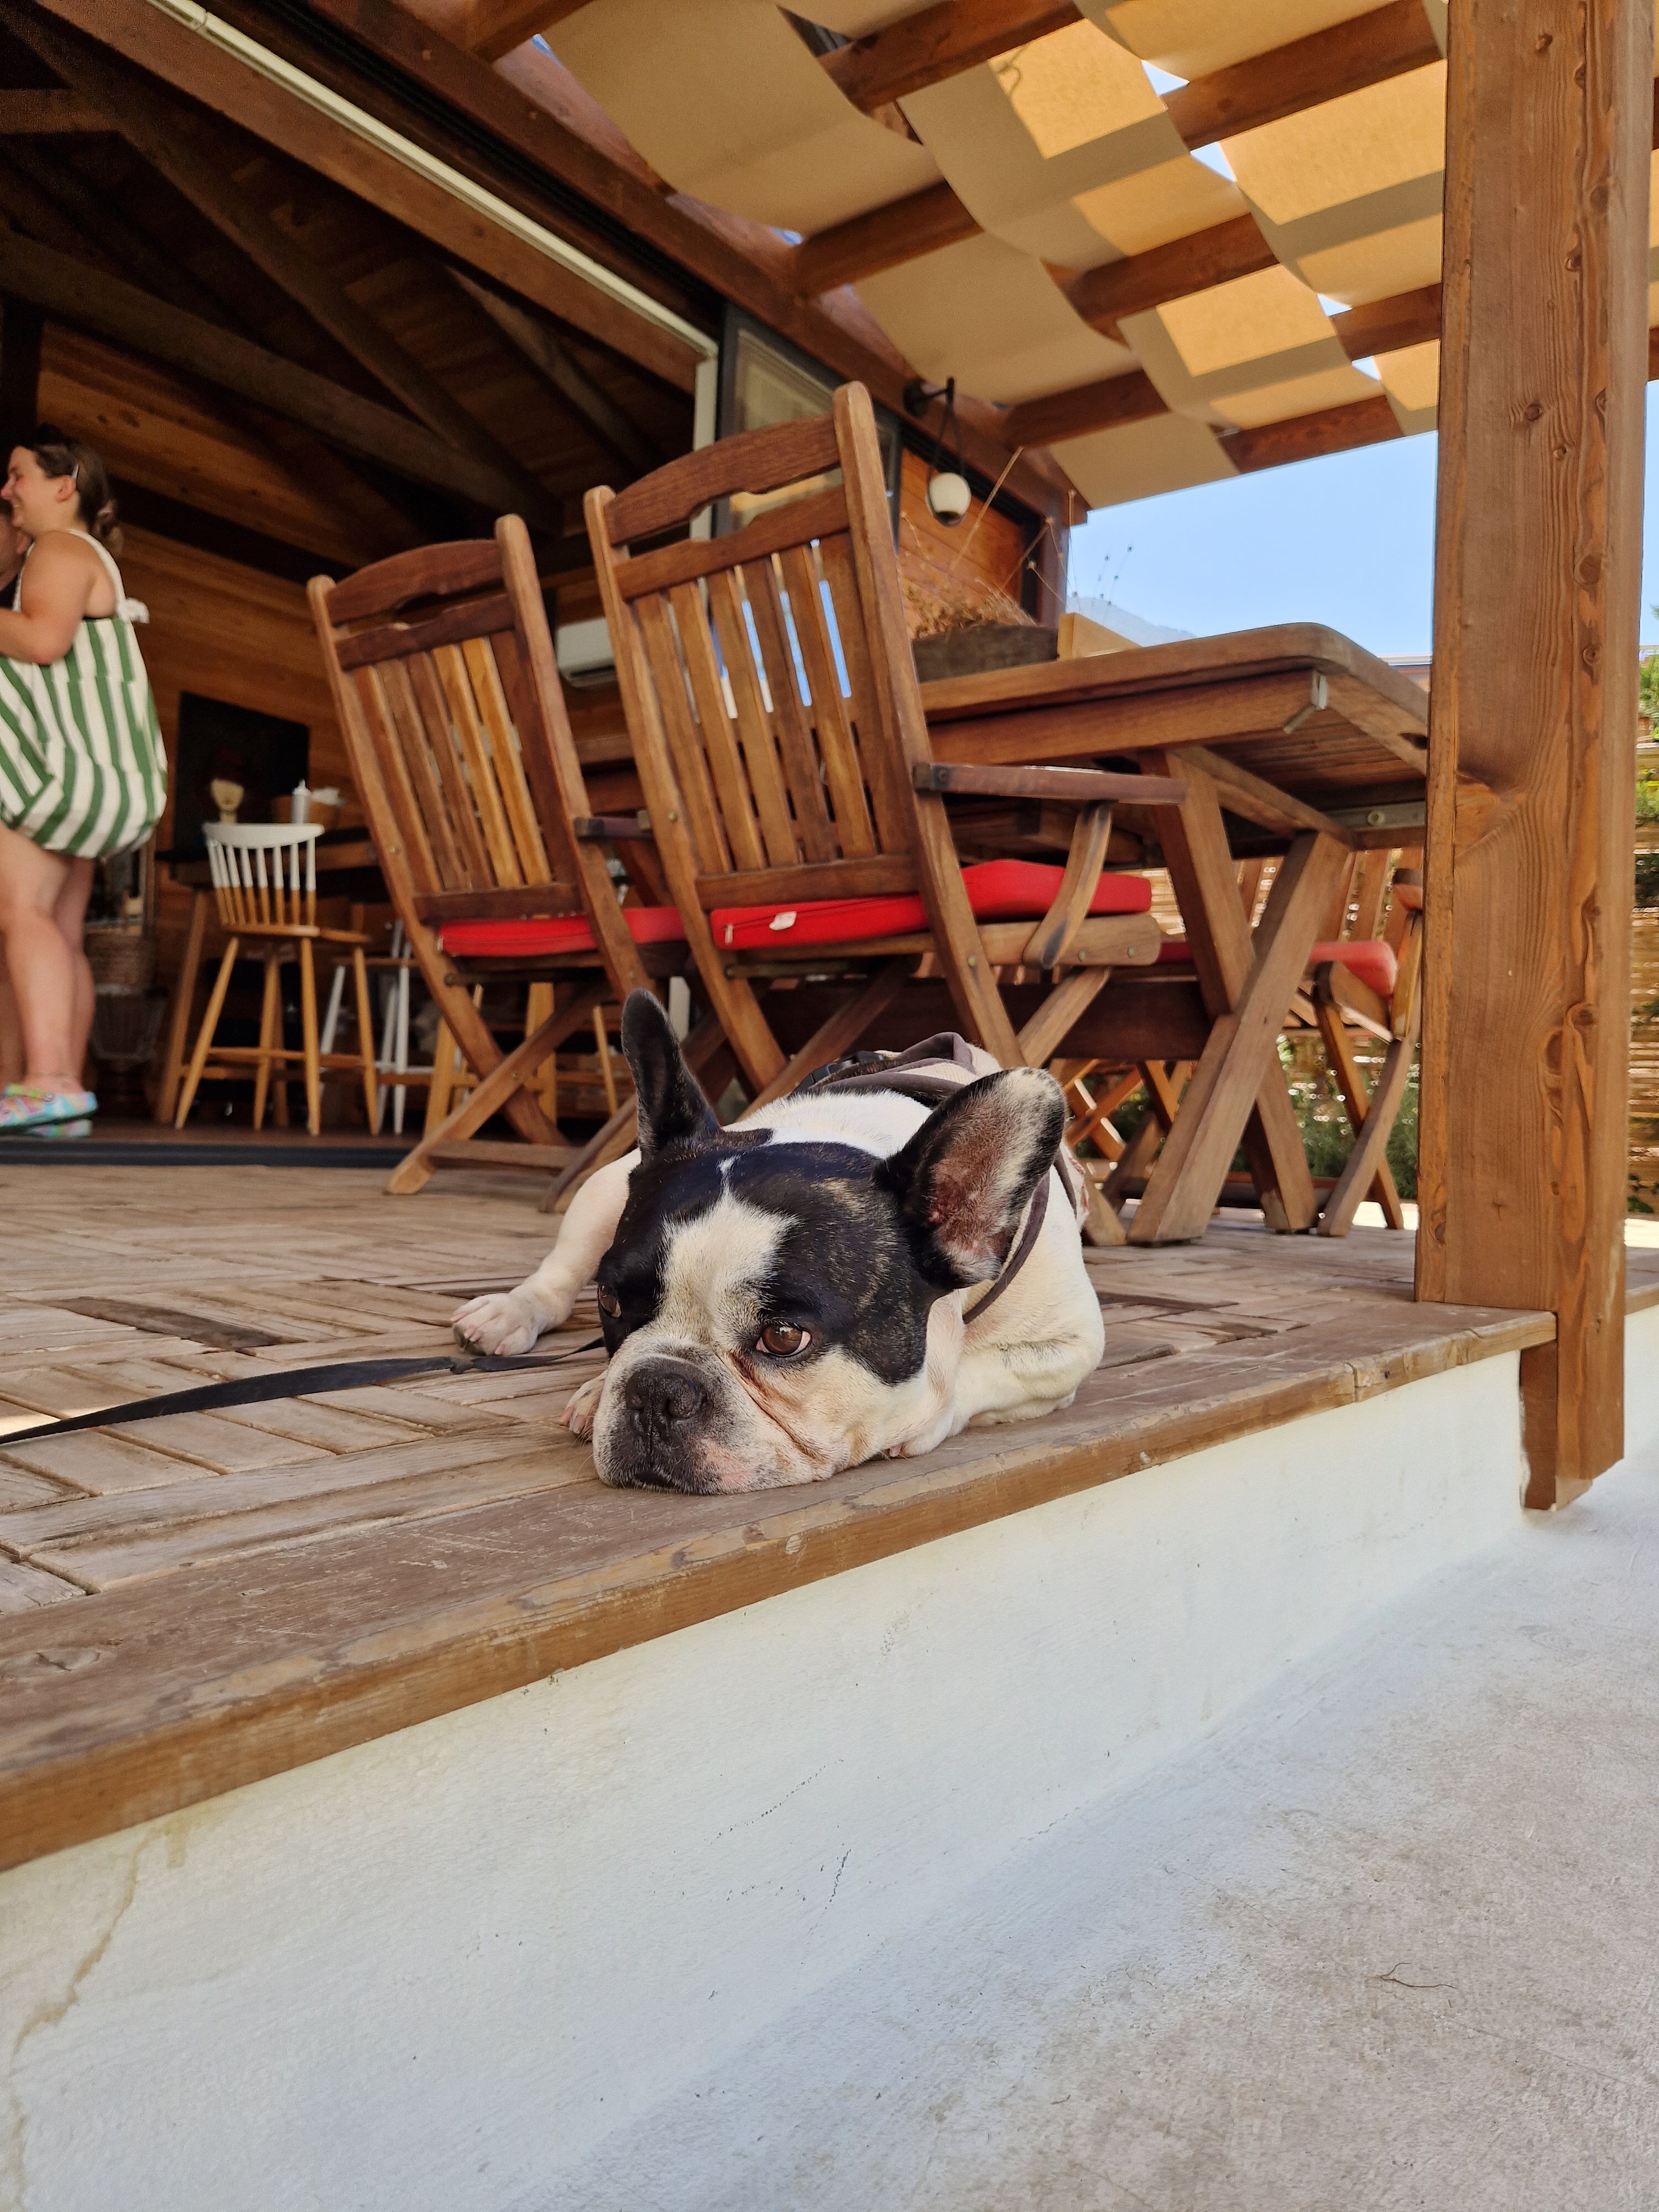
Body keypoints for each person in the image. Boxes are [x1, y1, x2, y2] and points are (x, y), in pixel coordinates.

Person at [0, 427, 165, 1133]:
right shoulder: (85, 555)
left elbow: (42, 640)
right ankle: (58, 1093)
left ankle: (45, 1081)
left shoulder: (60, 549)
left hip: (53, 775)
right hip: (95, 775)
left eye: (18, 477)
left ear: (64, 485)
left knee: (23, 915)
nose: (8, 490)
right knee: (60, 932)